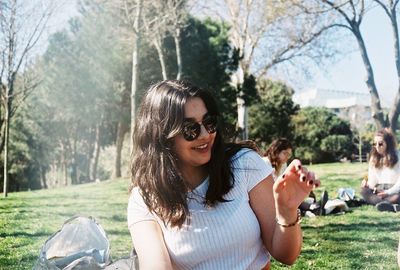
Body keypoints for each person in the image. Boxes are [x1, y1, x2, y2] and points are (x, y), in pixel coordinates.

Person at [127, 80, 320, 270]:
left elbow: (287, 255)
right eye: (190, 129)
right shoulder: (144, 198)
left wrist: (286, 212)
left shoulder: (244, 163)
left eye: (209, 123)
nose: (205, 134)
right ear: (162, 137)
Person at [361, 128, 400, 212]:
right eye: (375, 144)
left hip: (395, 190)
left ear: (388, 143)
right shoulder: (373, 158)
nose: (377, 147)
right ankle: (389, 205)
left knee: (397, 196)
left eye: (380, 144)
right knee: (364, 191)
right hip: (380, 190)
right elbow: (373, 181)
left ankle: (386, 203)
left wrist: (388, 192)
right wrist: (367, 184)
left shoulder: (398, 156)